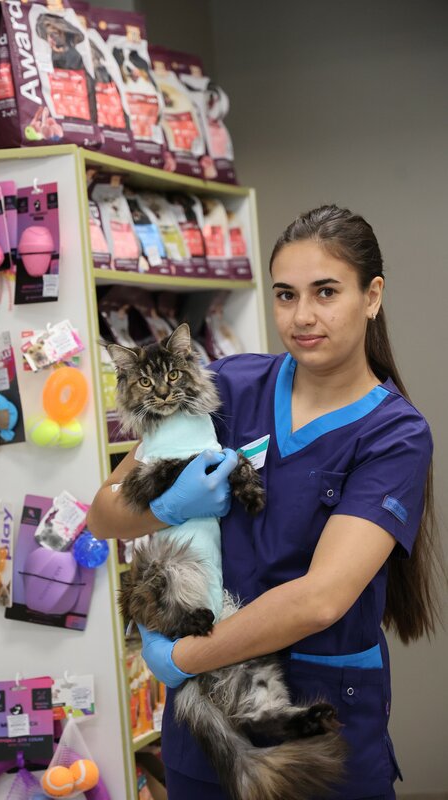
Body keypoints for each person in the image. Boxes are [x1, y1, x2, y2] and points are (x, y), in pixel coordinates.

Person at [88, 205, 443, 800]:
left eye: (325, 292)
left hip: (316, 719)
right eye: (285, 295)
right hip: (205, 731)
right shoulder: (227, 385)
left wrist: (186, 657)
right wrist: (168, 506)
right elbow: (103, 512)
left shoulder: (395, 435)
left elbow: (321, 598)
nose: (302, 316)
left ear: (372, 296)